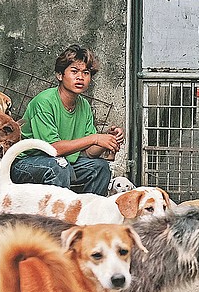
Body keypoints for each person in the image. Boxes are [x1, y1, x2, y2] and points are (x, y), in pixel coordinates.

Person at [12, 44, 125, 195]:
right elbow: (53, 149)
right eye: (74, 71)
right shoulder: (44, 101)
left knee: (100, 167)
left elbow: (89, 153)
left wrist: (107, 139)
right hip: (26, 164)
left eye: (86, 73)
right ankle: (59, 217)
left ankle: (87, 216)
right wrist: (96, 138)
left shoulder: (83, 105)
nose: (80, 77)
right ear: (60, 75)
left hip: (63, 162)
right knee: (59, 166)